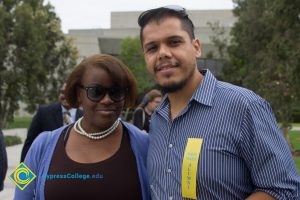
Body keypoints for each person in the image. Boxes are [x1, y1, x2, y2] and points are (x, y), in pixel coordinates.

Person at [138, 5, 300, 200]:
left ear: (196, 47)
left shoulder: (243, 106)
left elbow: (283, 189)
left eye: (174, 42)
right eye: (152, 48)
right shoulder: (157, 119)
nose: (162, 53)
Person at [14, 54, 150, 200]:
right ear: (79, 94)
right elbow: (20, 192)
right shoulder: (41, 144)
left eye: (116, 92)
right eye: (96, 92)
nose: (107, 100)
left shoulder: (145, 145)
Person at [20, 83, 83, 162]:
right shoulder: (43, 113)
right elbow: (29, 144)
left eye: (70, 93)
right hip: (46, 168)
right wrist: (22, 173)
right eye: (62, 92)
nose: (65, 96)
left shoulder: (86, 117)